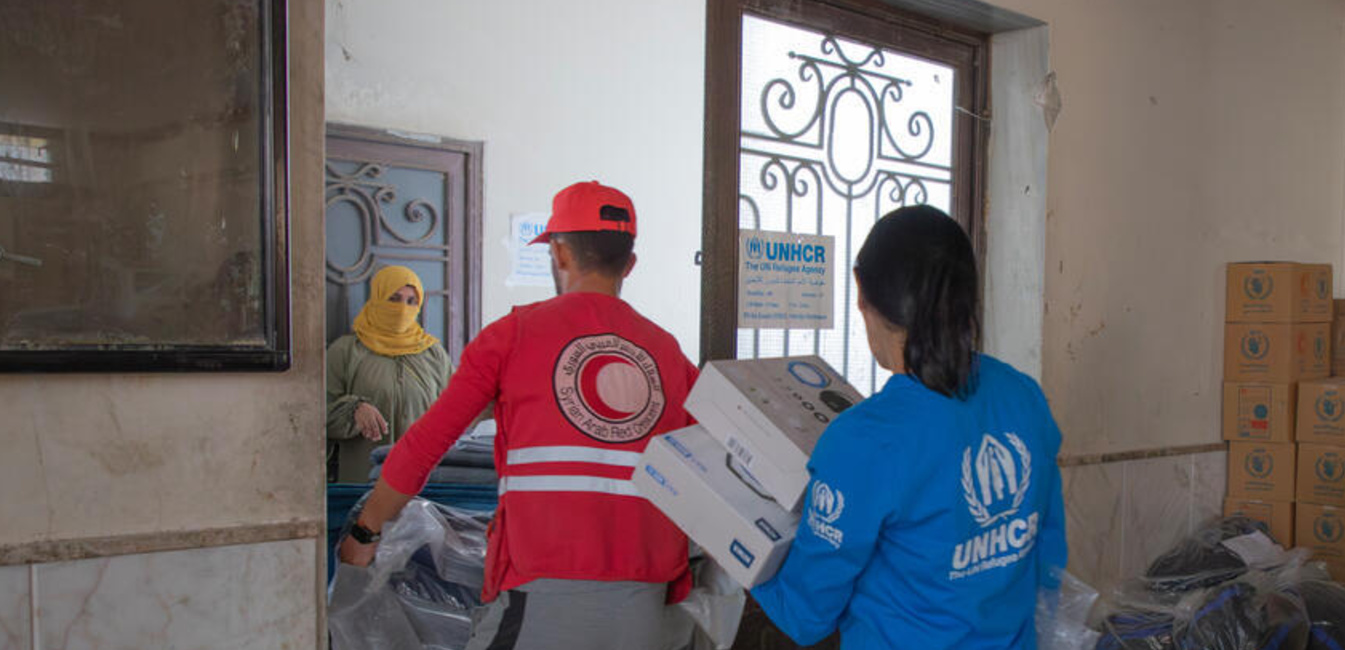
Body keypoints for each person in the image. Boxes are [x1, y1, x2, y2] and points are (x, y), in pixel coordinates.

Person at [337, 181, 699, 650]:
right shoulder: (669, 353)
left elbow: (425, 445)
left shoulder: (511, 336)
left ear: (560, 254)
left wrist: (366, 531)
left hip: (542, 595)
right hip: (652, 602)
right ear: (629, 263)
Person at [751, 205, 1068, 649]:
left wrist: (737, 555)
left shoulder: (863, 441)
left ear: (862, 293)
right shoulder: (1022, 397)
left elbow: (806, 615)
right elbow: (1048, 552)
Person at [325, 265, 453, 482]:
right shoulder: (346, 351)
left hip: (423, 485)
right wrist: (353, 409)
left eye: (411, 301)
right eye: (394, 298)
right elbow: (314, 414)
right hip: (363, 483)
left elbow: (457, 413)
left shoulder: (433, 354)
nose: (403, 308)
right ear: (377, 298)